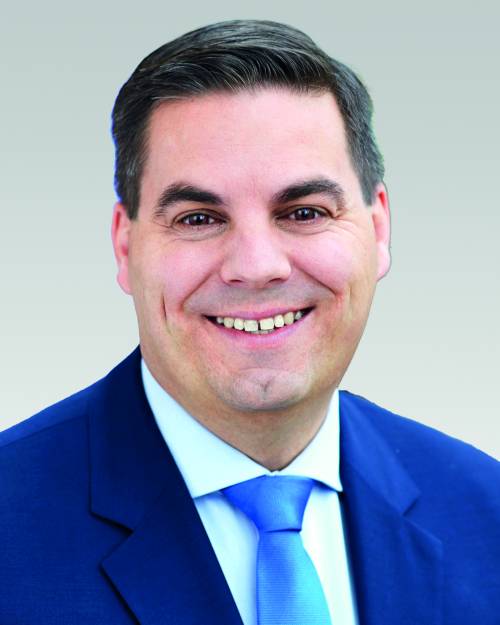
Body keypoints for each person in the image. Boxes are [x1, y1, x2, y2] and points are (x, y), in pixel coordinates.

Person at [0, 19, 498, 625]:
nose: (257, 267)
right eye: (198, 219)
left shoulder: (485, 511)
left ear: (379, 229)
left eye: (304, 212)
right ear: (125, 248)